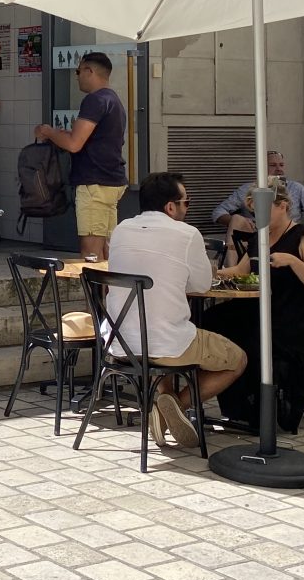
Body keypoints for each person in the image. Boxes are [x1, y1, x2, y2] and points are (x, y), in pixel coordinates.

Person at [105, 172, 247, 449]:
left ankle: (165, 401)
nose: (187, 208)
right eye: (187, 202)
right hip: (168, 343)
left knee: (163, 333)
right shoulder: (187, 234)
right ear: (170, 207)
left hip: (119, 343)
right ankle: (173, 406)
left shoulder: (120, 229)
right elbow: (202, 284)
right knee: (238, 359)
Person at [205, 178, 304, 434]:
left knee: (246, 337)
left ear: (283, 206)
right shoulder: (259, 238)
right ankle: (232, 402)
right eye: (255, 211)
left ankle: (255, 407)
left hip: (296, 319)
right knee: (211, 321)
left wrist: (293, 263)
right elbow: (241, 271)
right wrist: (212, 273)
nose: (258, 216)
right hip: (261, 312)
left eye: (264, 210)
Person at [33, 52, 126, 261]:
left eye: (78, 71)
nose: (76, 77)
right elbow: (90, 139)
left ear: (89, 71)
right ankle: (108, 295)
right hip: (111, 181)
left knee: (91, 254)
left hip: (94, 183)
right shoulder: (114, 100)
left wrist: (48, 132)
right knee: (108, 253)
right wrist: (61, 135)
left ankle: (95, 294)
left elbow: (74, 144)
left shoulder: (94, 100)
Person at [213, 150, 304, 233]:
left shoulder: (296, 188)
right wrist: (241, 222)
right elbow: (218, 212)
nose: (279, 169)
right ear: (262, 167)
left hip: (290, 237)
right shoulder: (247, 189)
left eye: (281, 165)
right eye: (273, 165)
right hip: (257, 238)